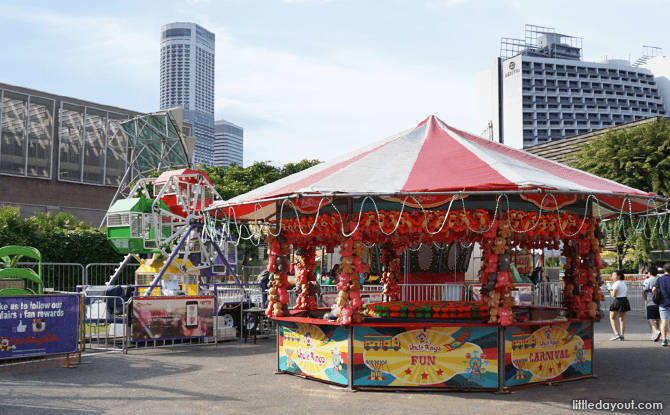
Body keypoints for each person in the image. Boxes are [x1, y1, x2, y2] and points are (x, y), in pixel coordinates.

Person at [606, 270, 630, 341]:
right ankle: (622, 335)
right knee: (622, 319)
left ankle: (616, 333)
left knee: (612, 318)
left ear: (618, 276)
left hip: (617, 300)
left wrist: (610, 289)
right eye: (612, 275)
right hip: (625, 300)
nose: (613, 277)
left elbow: (613, 294)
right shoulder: (623, 283)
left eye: (614, 275)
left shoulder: (616, 284)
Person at [651, 262, 670, 347]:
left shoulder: (660, 279)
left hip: (663, 303)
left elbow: (653, 290)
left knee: (664, 321)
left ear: (664, 270)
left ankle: (664, 339)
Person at [642, 266, 661, 342]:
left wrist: (645, 299)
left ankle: (656, 331)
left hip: (651, 301)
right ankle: (654, 334)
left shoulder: (647, 281)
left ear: (649, 273)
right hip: (660, 302)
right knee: (657, 319)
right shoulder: (660, 279)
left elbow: (644, 292)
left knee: (650, 318)